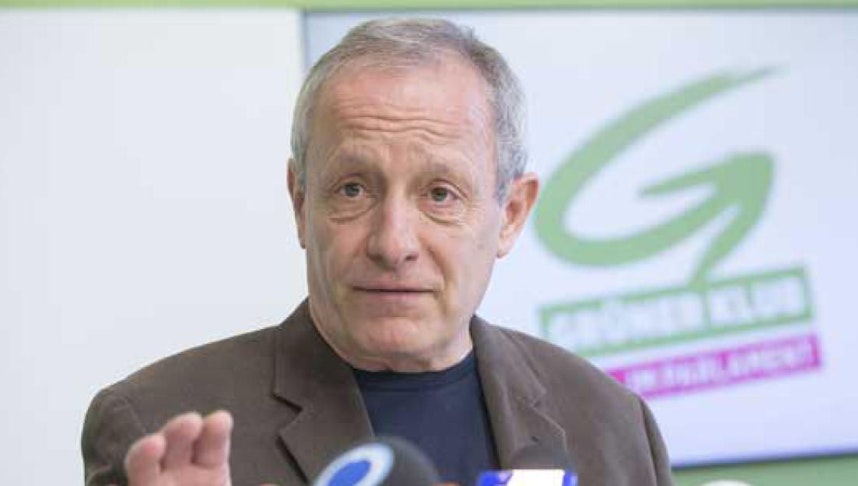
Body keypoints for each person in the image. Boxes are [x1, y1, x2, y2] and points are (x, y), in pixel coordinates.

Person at [81, 18, 674, 486]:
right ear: (300, 202)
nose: (393, 243)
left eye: (439, 194)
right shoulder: (157, 429)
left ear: (511, 214)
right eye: (353, 189)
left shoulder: (612, 424)